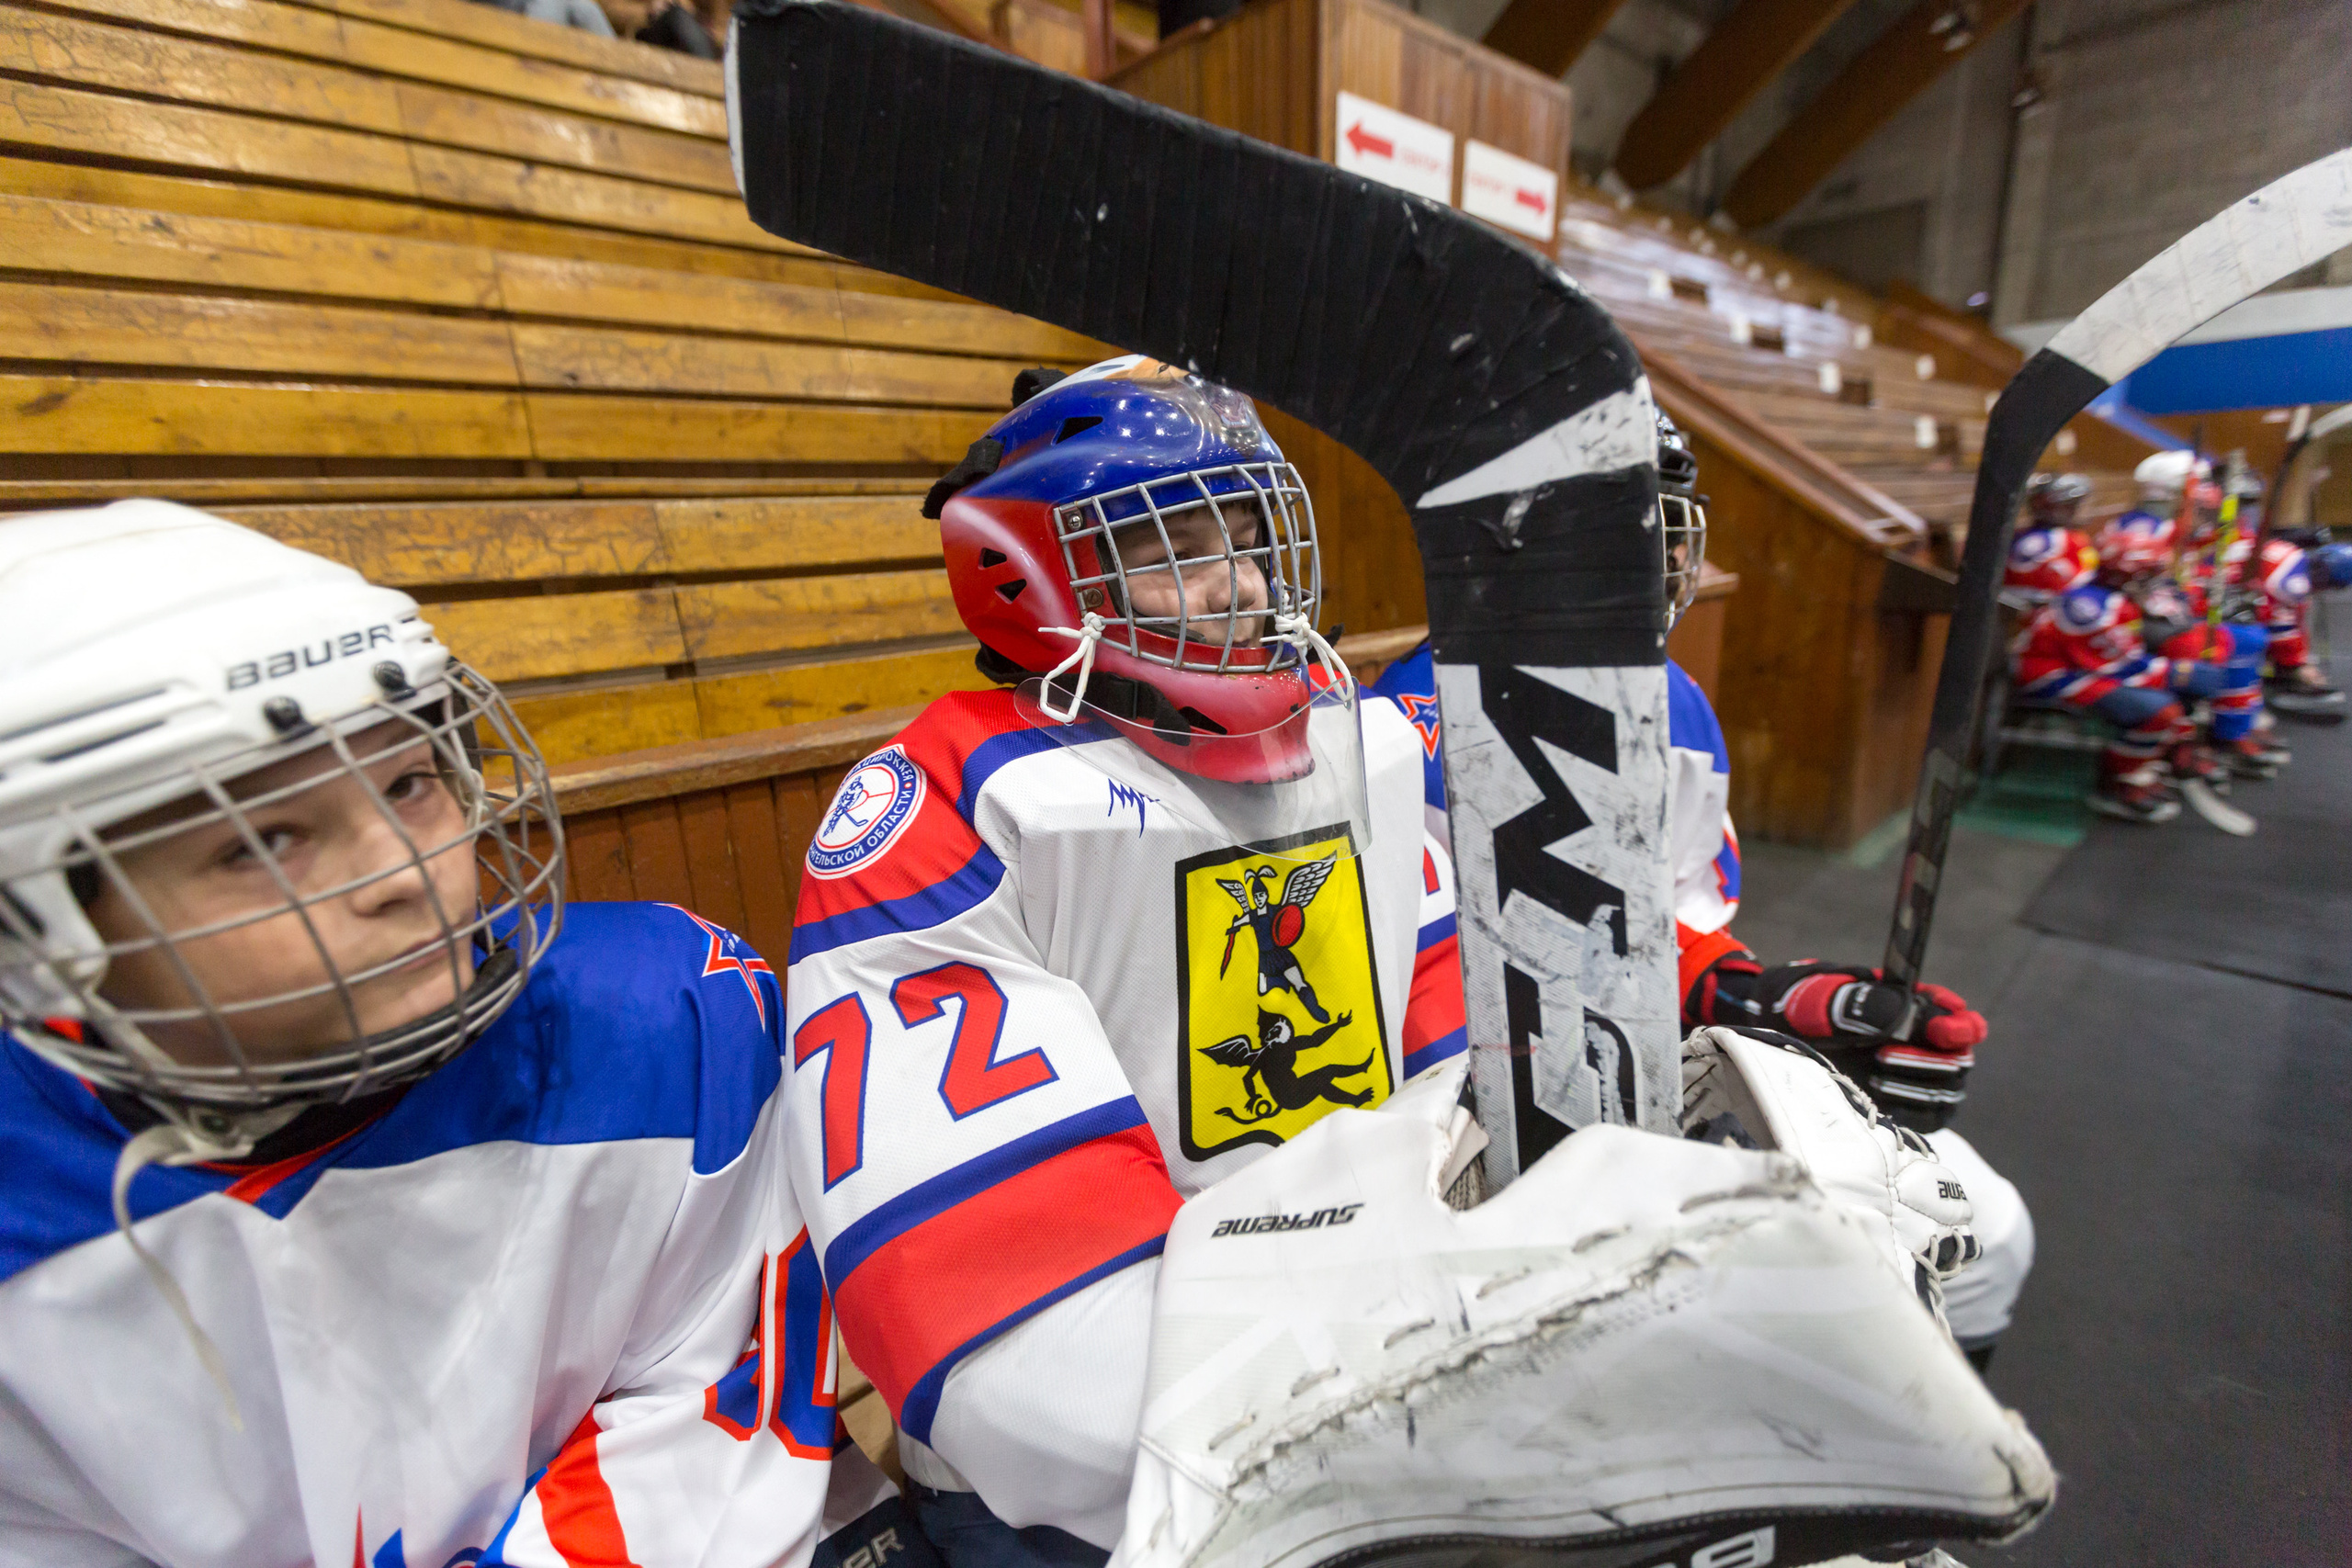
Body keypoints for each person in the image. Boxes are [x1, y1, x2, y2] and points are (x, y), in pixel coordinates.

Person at [785, 365, 2045, 1568]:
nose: (1237, 584)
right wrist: (1484, 1430)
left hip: (1354, 1360)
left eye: (1248, 535)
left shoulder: (1359, 752)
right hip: (1117, 1502)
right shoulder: (944, 813)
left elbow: (1473, 1104)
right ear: (1021, 571)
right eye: (1174, 547)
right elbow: (1038, 1380)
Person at [0, 501, 904, 1566]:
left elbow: (710, 1404)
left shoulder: (669, 1017)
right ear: (42, 921)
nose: (402, 874)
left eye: (411, 783)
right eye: (267, 841)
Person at [1375, 412, 2036, 1371]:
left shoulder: (1675, 705)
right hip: (1464, 1119)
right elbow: (1422, 995)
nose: (1650, 559)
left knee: (1985, 1234)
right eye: (1612, 529)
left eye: (1661, 528)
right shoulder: (1402, 730)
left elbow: (1667, 939)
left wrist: (1793, 1006)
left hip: (1636, 1072)